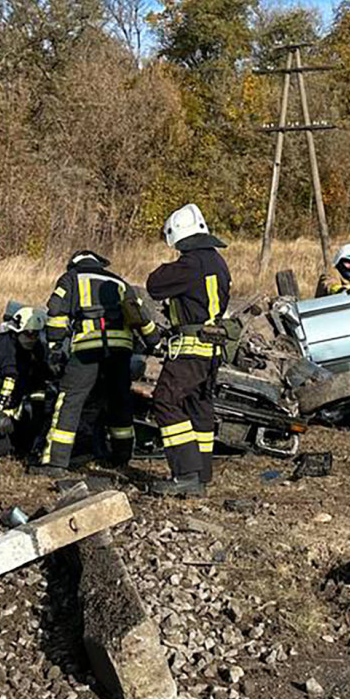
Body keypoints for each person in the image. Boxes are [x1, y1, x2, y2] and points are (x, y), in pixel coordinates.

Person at [34, 251, 151, 479]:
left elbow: (57, 311)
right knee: (119, 400)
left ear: (73, 264)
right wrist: (153, 342)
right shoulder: (119, 281)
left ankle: (56, 462)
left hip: (87, 349)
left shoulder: (71, 278)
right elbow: (140, 314)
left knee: (70, 400)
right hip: (120, 351)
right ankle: (121, 457)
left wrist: (54, 345)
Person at [146, 203, 232, 497]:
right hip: (212, 351)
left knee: (165, 402)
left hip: (190, 349)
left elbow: (155, 286)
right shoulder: (218, 262)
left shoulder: (191, 263)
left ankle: (186, 473)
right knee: (199, 408)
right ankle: (202, 473)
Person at [0, 304, 52, 460]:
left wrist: (37, 417)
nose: (32, 339)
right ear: (15, 332)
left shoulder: (35, 351)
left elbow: (38, 385)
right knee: (0, 449)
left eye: (36, 334)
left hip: (11, 413)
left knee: (23, 445)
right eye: (28, 334)